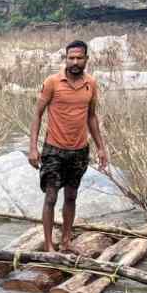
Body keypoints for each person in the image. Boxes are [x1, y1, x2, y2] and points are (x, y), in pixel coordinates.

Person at [28, 40, 110, 253]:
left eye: (79, 58)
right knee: (51, 196)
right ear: (65, 59)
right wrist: (33, 148)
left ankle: (66, 242)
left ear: (86, 59)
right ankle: (49, 246)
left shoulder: (91, 83)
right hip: (54, 149)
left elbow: (91, 116)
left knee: (71, 196)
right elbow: (37, 114)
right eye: (70, 58)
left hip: (79, 150)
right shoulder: (53, 82)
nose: (74, 62)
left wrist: (101, 148)